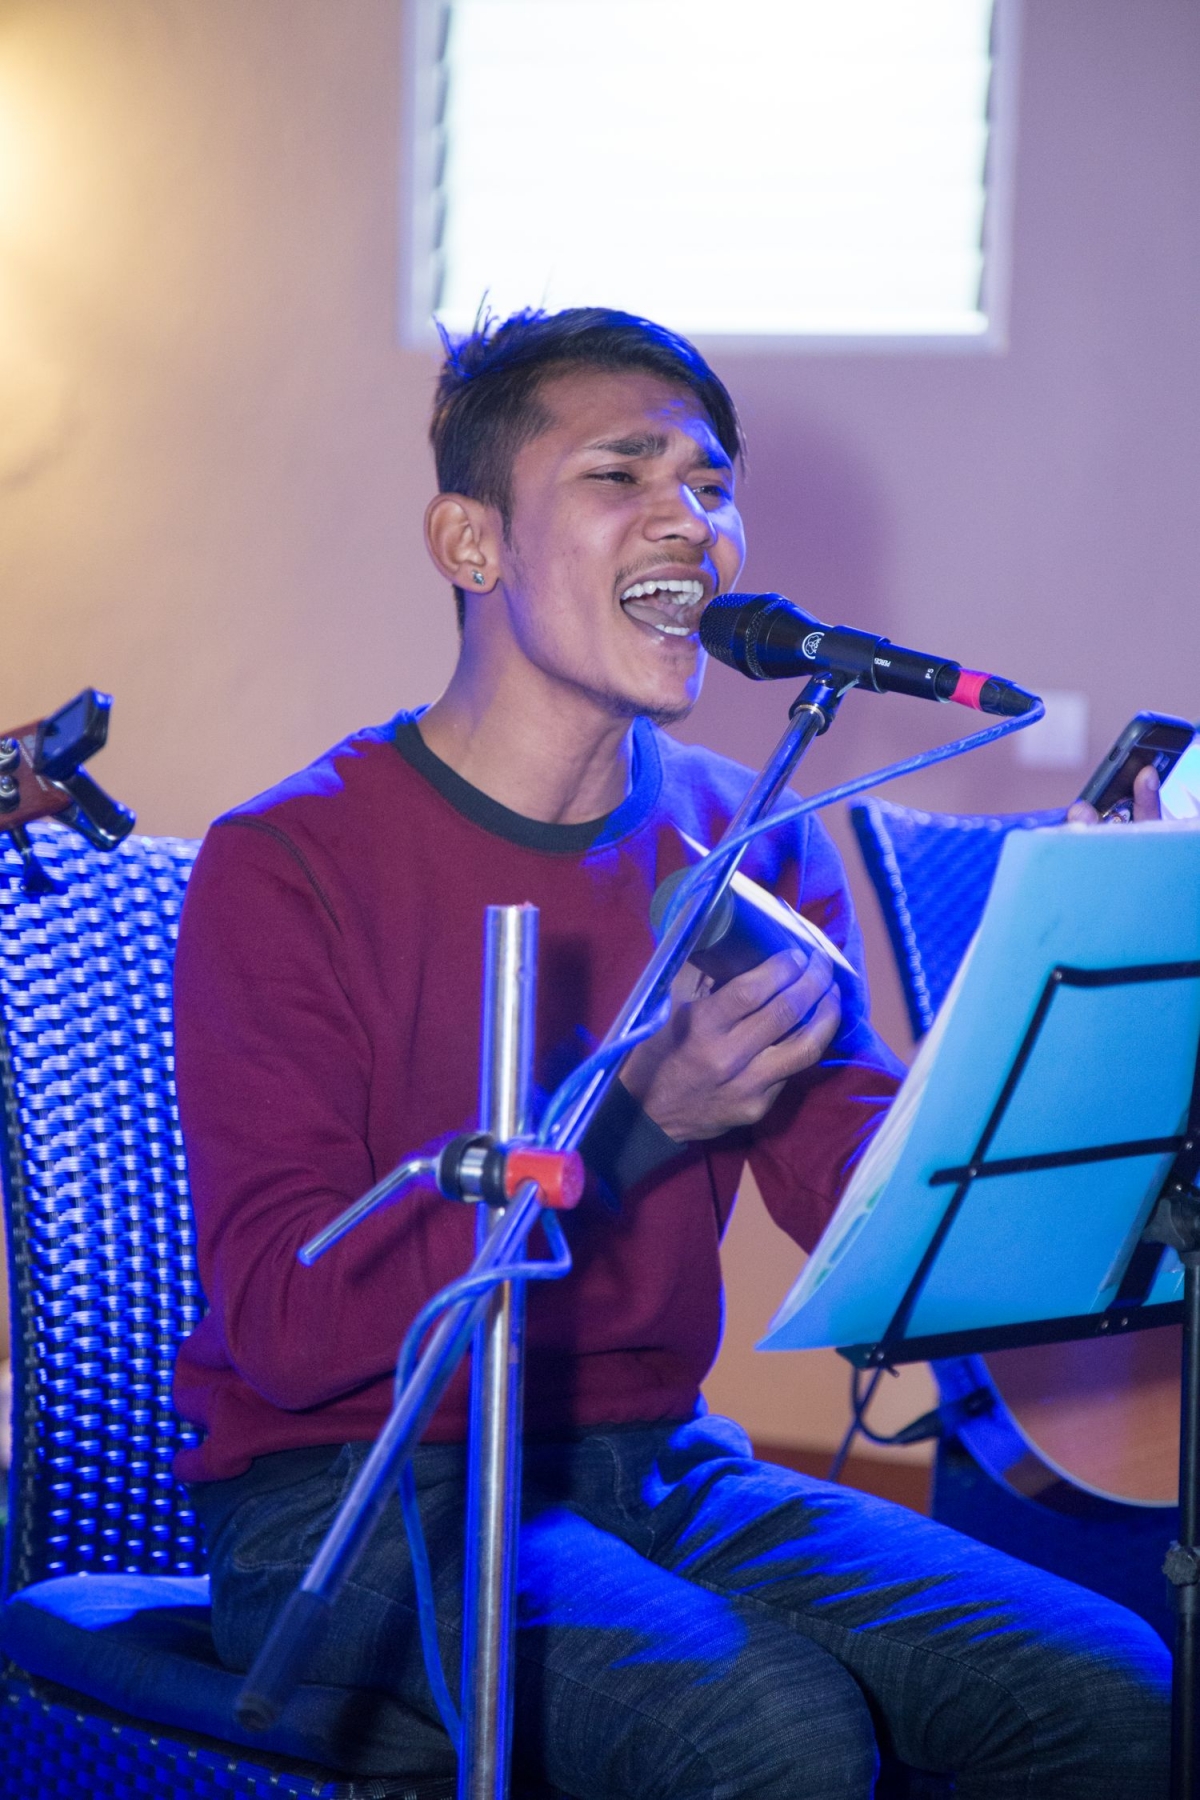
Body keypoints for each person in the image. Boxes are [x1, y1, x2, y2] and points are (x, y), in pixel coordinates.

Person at [173, 307, 1170, 1798]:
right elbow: (286, 1323)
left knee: (1108, 1688)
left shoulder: (747, 832)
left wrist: (1081, 1025)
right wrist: (631, 1127)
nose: (691, 522)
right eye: (621, 474)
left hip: (654, 1459)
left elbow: (862, 1200)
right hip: (350, 1492)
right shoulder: (289, 861)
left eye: (711, 484)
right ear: (471, 542)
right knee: (768, 1735)